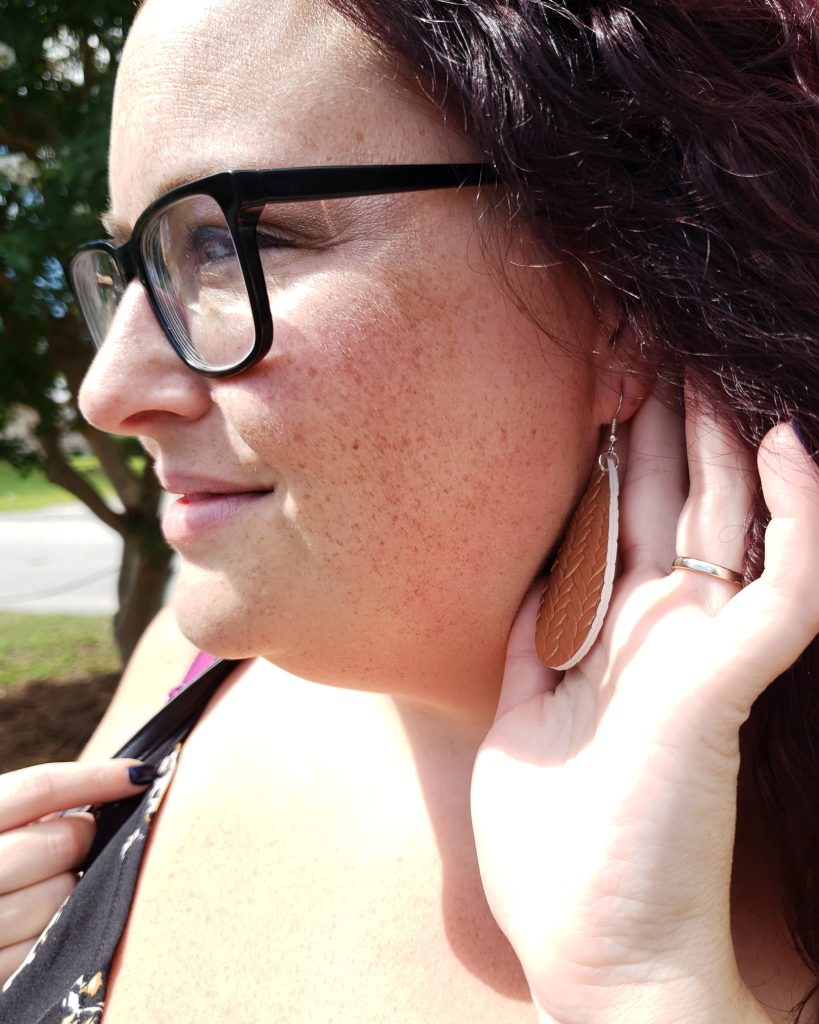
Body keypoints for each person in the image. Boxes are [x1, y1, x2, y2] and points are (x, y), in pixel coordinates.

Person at [1, 0, 818, 1020]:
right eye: (135, 266)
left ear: (622, 293)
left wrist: (648, 989)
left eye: (223, 245)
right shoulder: (196, 662)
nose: (108, 391)